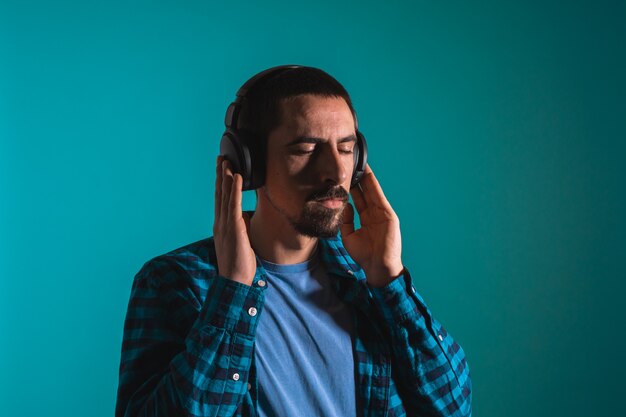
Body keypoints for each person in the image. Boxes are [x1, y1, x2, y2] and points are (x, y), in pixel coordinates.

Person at [115, 65, 472, 417]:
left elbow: (454, 408)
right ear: (248, 163)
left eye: (346, 149)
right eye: (305, 149)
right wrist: (233, 292)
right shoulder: (175, 282)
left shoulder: (368, 281)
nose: (334, 171)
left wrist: (389, 279)